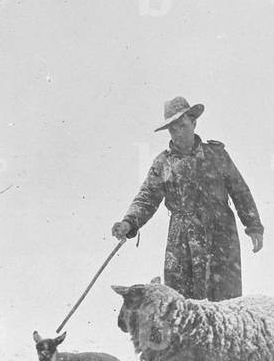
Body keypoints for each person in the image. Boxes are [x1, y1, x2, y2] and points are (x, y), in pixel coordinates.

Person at [111, 96, 264, 301]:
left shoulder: (217, 155)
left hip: (219, 238)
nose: (178, 133)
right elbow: (146, 198)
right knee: (182, 306)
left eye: (182, 126)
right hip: (181, 242)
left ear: (194, 122)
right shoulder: (163, 163)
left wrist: (253, 225)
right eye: (172, 129)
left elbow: (240, 191)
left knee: (224, 303)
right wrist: (128, 222)